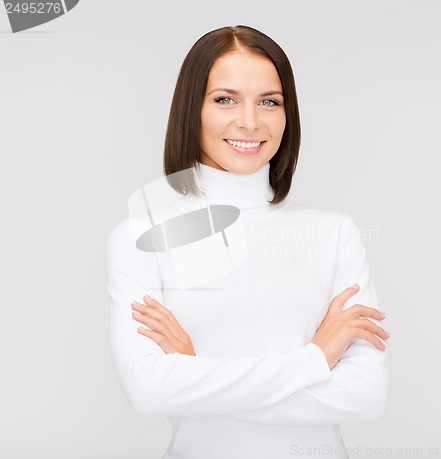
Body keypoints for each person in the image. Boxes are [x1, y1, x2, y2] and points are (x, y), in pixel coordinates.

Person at [106, 24, 390, 459]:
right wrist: (315, 359)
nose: (250, 122)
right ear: (192, 109)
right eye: (225, 99)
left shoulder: (334, 233)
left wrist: (197, 376)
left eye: (269, 102)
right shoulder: (142, 237)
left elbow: (366, 396)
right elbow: (149, 392)